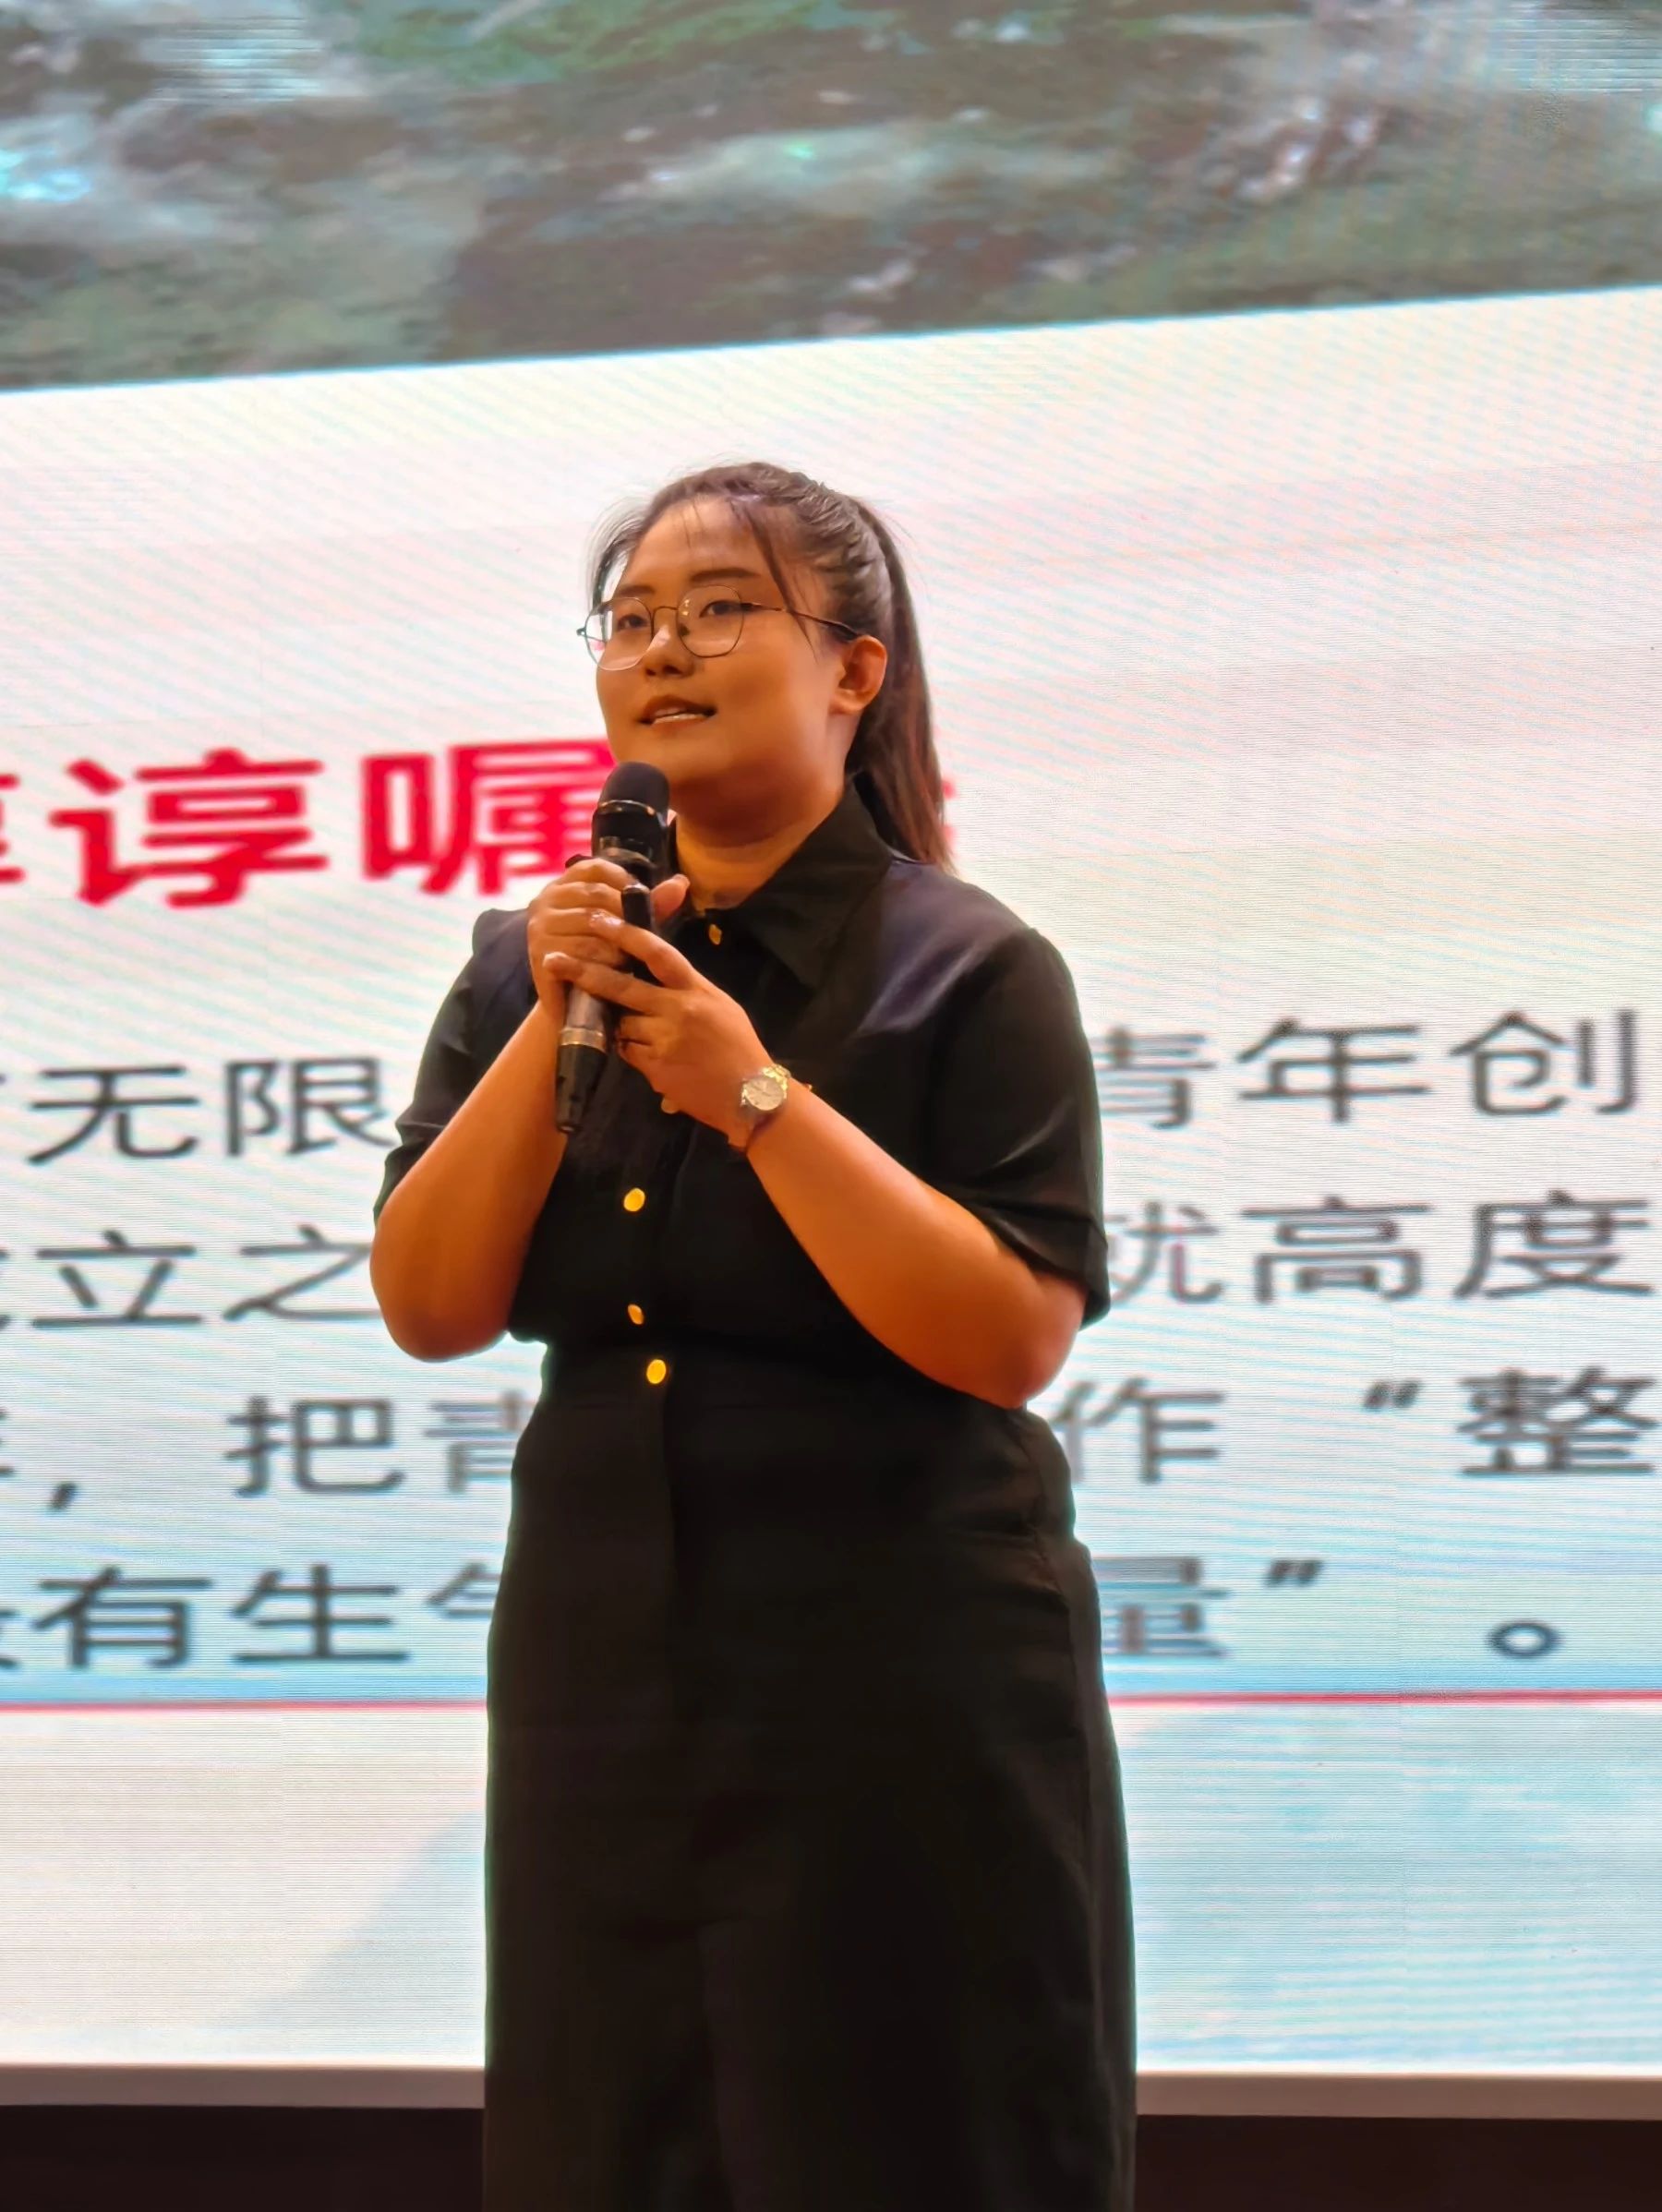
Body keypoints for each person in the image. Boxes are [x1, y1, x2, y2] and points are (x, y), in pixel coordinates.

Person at [369, 461, 1135, 2211]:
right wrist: (556, 1006)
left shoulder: (967, 966)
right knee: (614, 2135)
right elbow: (431, 1306)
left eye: (722, 611)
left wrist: (756, 1093)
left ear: (854, 671)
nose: (663, 651)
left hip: (901, 1666)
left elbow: (1010, 1338)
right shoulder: (521, 967)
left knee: (912, 2133)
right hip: (601, 1661)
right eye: (631, 618)